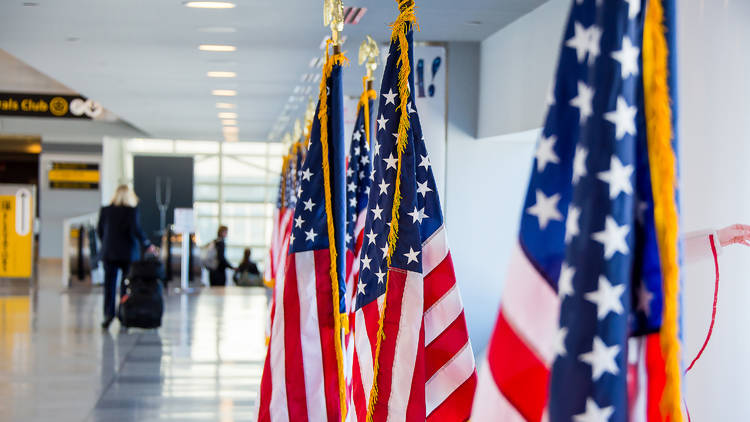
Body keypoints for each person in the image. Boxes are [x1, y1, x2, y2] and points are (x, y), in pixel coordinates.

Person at [97, 185, 156, 329]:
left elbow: (100, 230)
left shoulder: (106, 210)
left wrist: (106, 243)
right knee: (126, 285)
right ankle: (124, 315)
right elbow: (136, 229)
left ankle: (108, 315)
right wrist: (147, 244)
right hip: (127, 253)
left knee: (109, 286)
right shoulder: (131, 211)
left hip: (109, 252)